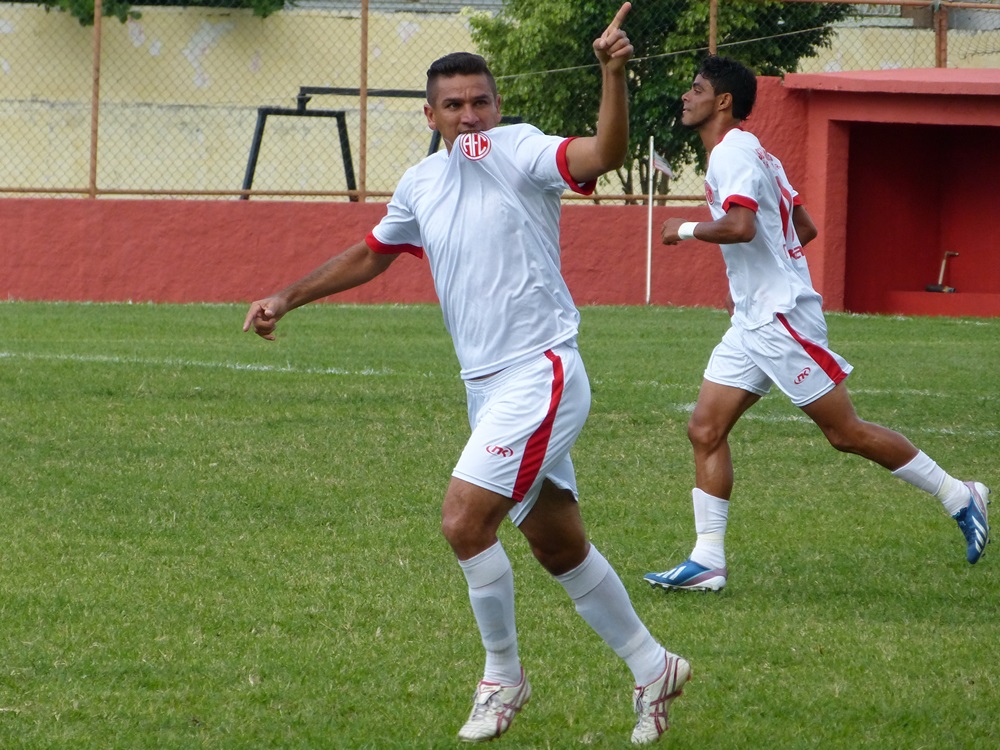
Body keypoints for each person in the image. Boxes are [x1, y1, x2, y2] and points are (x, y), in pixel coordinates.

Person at [244, 4, 691, 744]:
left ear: (498, 105)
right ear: (431, 113)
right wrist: (287, 295)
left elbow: (602, 155)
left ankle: (502, 677)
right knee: (556, 543)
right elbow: (372, 253)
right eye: (453, 105)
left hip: (541, 372)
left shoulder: (518, 149)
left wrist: (613, 76)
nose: (469, 115)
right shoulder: (422, 182)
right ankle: (653, 665)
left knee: (462, 521)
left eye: (480, 100)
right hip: (486, 387)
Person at [644, 55, 990, 593]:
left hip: (779, 320)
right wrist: (772, 272)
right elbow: (801, 226)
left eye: (696, 88)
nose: (686, 97)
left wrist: (683, 229)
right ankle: (707, 560)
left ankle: (959, 494)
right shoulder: (755, 149)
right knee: (705, 429)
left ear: (724, 101)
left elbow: (738, 226)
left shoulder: (731, 153)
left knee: (843, 432)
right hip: (755, 319)